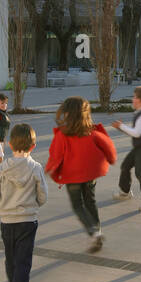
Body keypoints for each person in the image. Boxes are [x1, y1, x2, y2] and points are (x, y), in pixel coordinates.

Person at [0, 124, 47, 282]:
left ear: (10, 144)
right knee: (23, 262)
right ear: (33, 146)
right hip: (28, 221)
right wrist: (34, 204)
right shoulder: (36, 168)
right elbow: (43, 196)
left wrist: (2, 207)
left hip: (7, 221)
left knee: (11, 258)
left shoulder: (3, 167)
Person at [46, 96, 117, 253]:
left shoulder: (62, 135)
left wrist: (50, 169)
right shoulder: (92, 133)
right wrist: (111, 159)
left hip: (73, 177)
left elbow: (56, 155)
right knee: (90, 201)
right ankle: (97, 230)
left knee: (78, 205)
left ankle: (93, 232)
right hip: (90, 174)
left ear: (67, 114)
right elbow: (108, 146)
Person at [112, 85, 141, 210]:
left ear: (140, 100)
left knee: (139, 172)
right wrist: (121, 127)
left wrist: (121, 127)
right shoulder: (140, 113)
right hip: (138, 147)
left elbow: (137, 133)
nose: (133, 99)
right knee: (125, 166)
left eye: (134, 97)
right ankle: (125, 192)